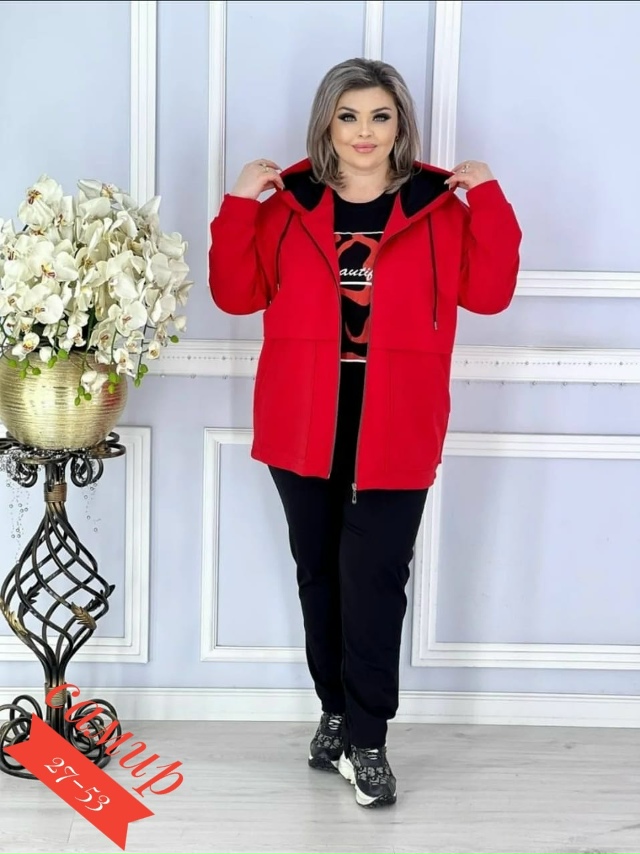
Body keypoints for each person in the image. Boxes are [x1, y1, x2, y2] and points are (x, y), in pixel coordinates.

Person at [208, 57, 521, 809]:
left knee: (375, 577)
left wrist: (489, 199)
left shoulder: (438, 206)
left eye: (380, 116)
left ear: (400, 124)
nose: (364, 132)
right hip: (303, 414)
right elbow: (235, 294)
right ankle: (335, 712)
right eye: (348, 116)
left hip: (398, 418)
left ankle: (369, 740)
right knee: (318, 572)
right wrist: (239, 203)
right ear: (326, 123)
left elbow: (490, 294)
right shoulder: (287, 205)